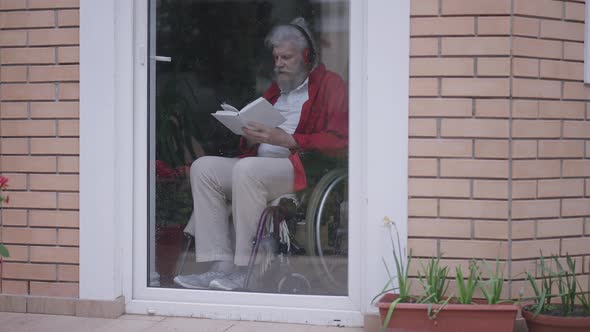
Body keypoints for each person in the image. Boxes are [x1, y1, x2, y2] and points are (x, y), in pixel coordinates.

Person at [173, 17, 348, 291]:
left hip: (302, 170)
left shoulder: (330, 84)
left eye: (286, 57)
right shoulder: (277, 90)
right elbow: (259, 140)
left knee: (247, 170)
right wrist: (249, 134)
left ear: (306, 56)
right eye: (276, 57)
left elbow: (340, 143)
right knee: (203, 167)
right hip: (260, 168)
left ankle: (248, 270)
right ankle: (220, 265)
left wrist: (290, 140)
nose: (278, 63)